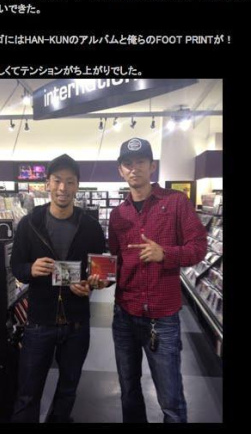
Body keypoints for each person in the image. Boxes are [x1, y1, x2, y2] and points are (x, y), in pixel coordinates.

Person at [104, 138, 207, 423]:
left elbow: (199, 247)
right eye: (128, 163)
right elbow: (116, 260)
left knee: (171, 400)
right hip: (124, 314)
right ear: (120, 170)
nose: (134, 168)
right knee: (128, 391)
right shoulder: (118, 214)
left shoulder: (176, 202)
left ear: (152, 166)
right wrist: (100, 278)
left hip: (162, 317)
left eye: (140, 162)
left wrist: (166, 254)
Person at [10, 154, 106, 423]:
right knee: (28, 392)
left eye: (70, 181)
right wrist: (30, 269)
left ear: (77, 186)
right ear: (47, 183)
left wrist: (91, 285)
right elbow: (16, 266)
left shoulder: (90, 227)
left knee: (68, 390)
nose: (63, 187)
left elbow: (100, 272)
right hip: (39, 322)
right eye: (57, 180)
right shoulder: (30, 224)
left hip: (77, 323)